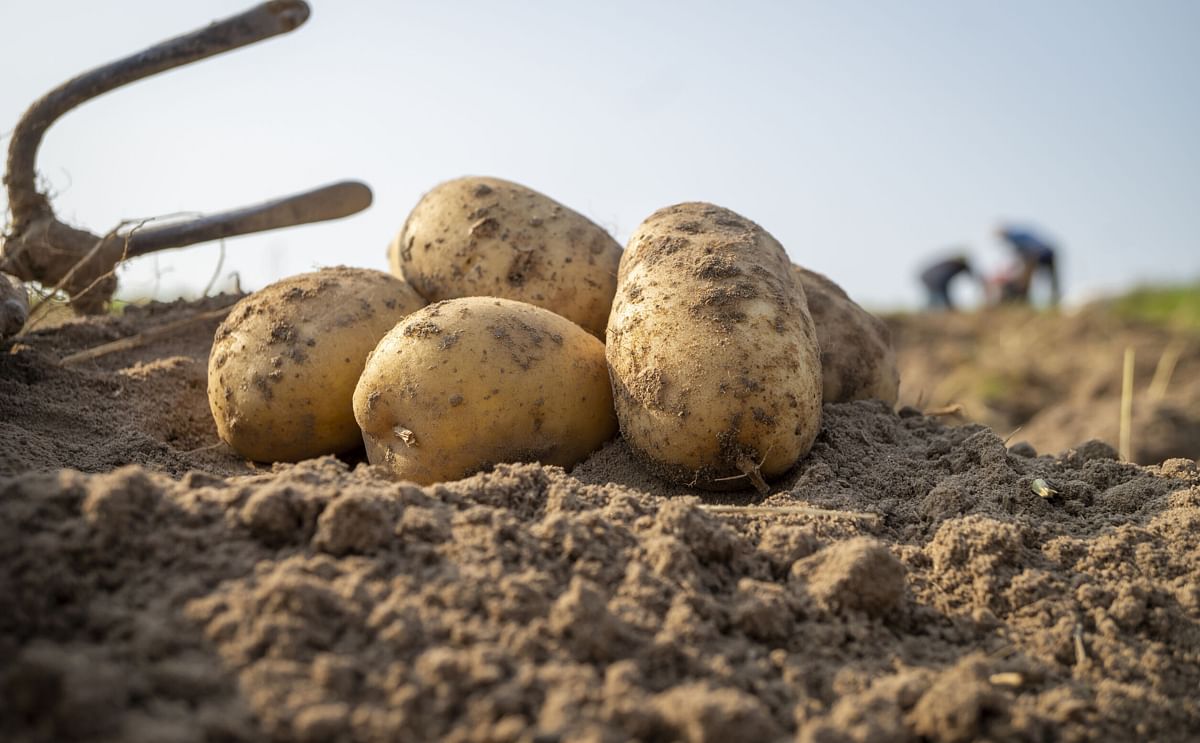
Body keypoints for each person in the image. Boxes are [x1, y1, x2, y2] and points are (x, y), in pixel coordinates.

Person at [995, 224, 1061, 305]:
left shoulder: (1015, 238)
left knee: (1028, 281)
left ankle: (1052, 301)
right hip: (1046, 253)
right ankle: (1054, 300)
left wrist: (1025, 273)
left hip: (1041, 255)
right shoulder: (1018, 235)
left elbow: (1029, 252)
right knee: (1052, 281)